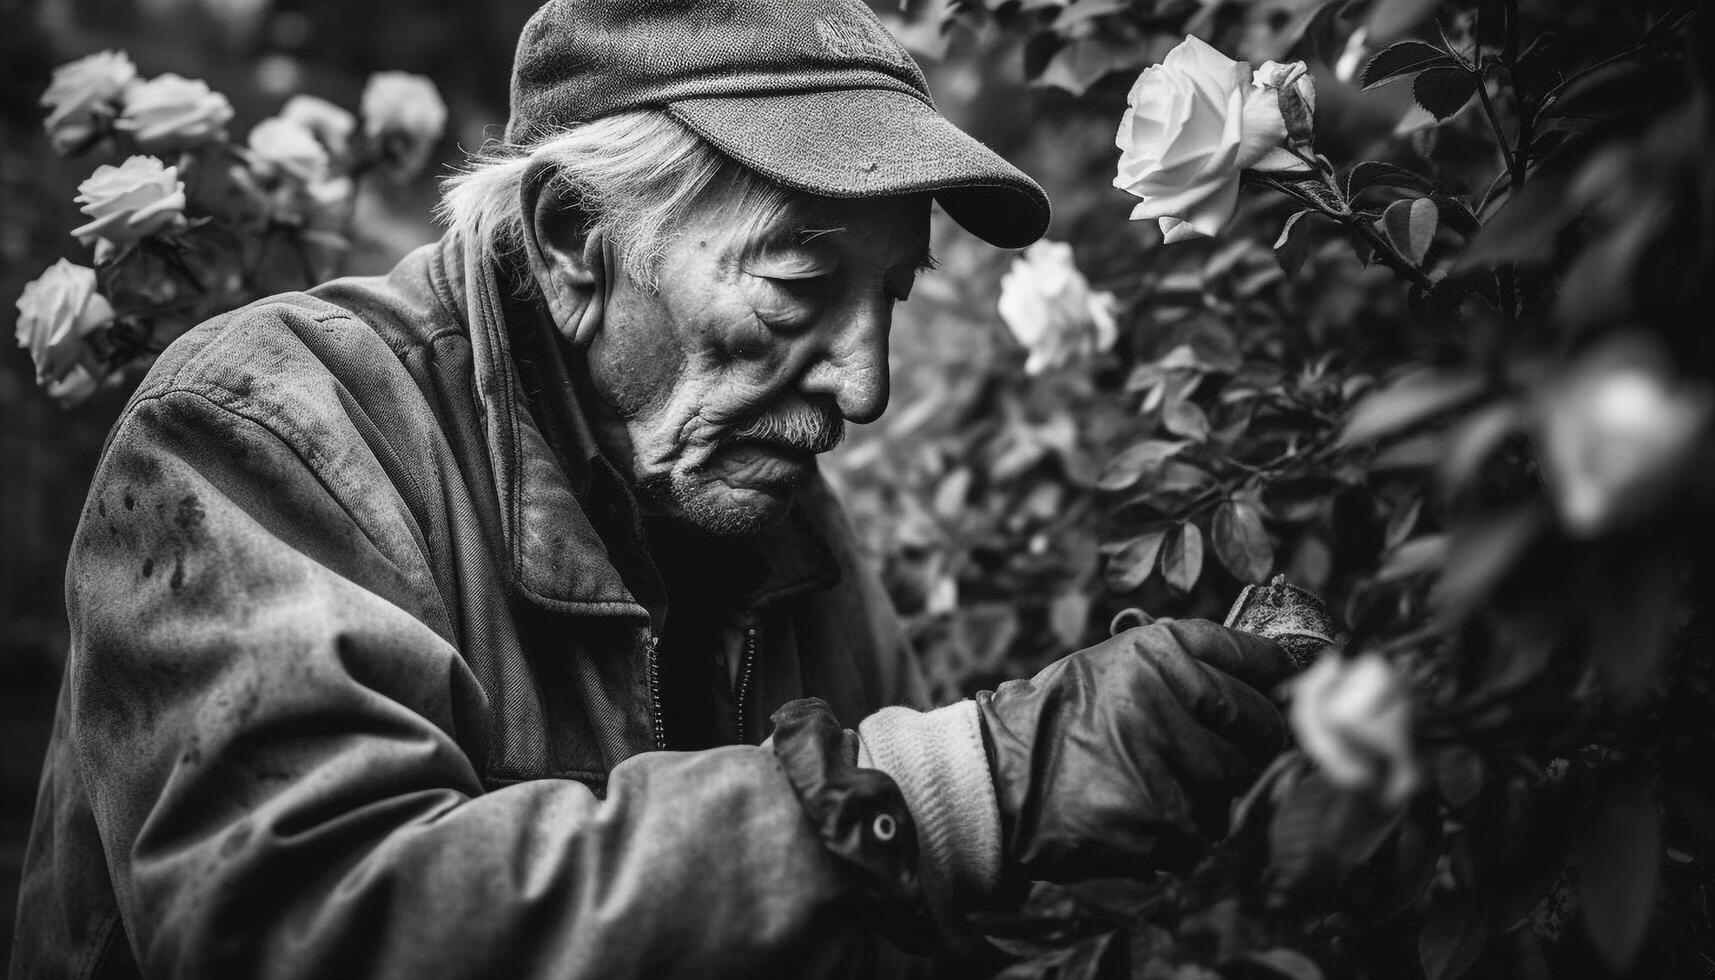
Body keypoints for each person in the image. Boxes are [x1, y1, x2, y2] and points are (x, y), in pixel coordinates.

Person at [10, 1, 1295, 977]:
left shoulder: (784, 528)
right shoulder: (266, 431)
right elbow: (312, 918)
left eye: (888, 297)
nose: (866, 387)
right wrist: (962, 787)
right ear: (575, 240)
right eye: (796, 288)